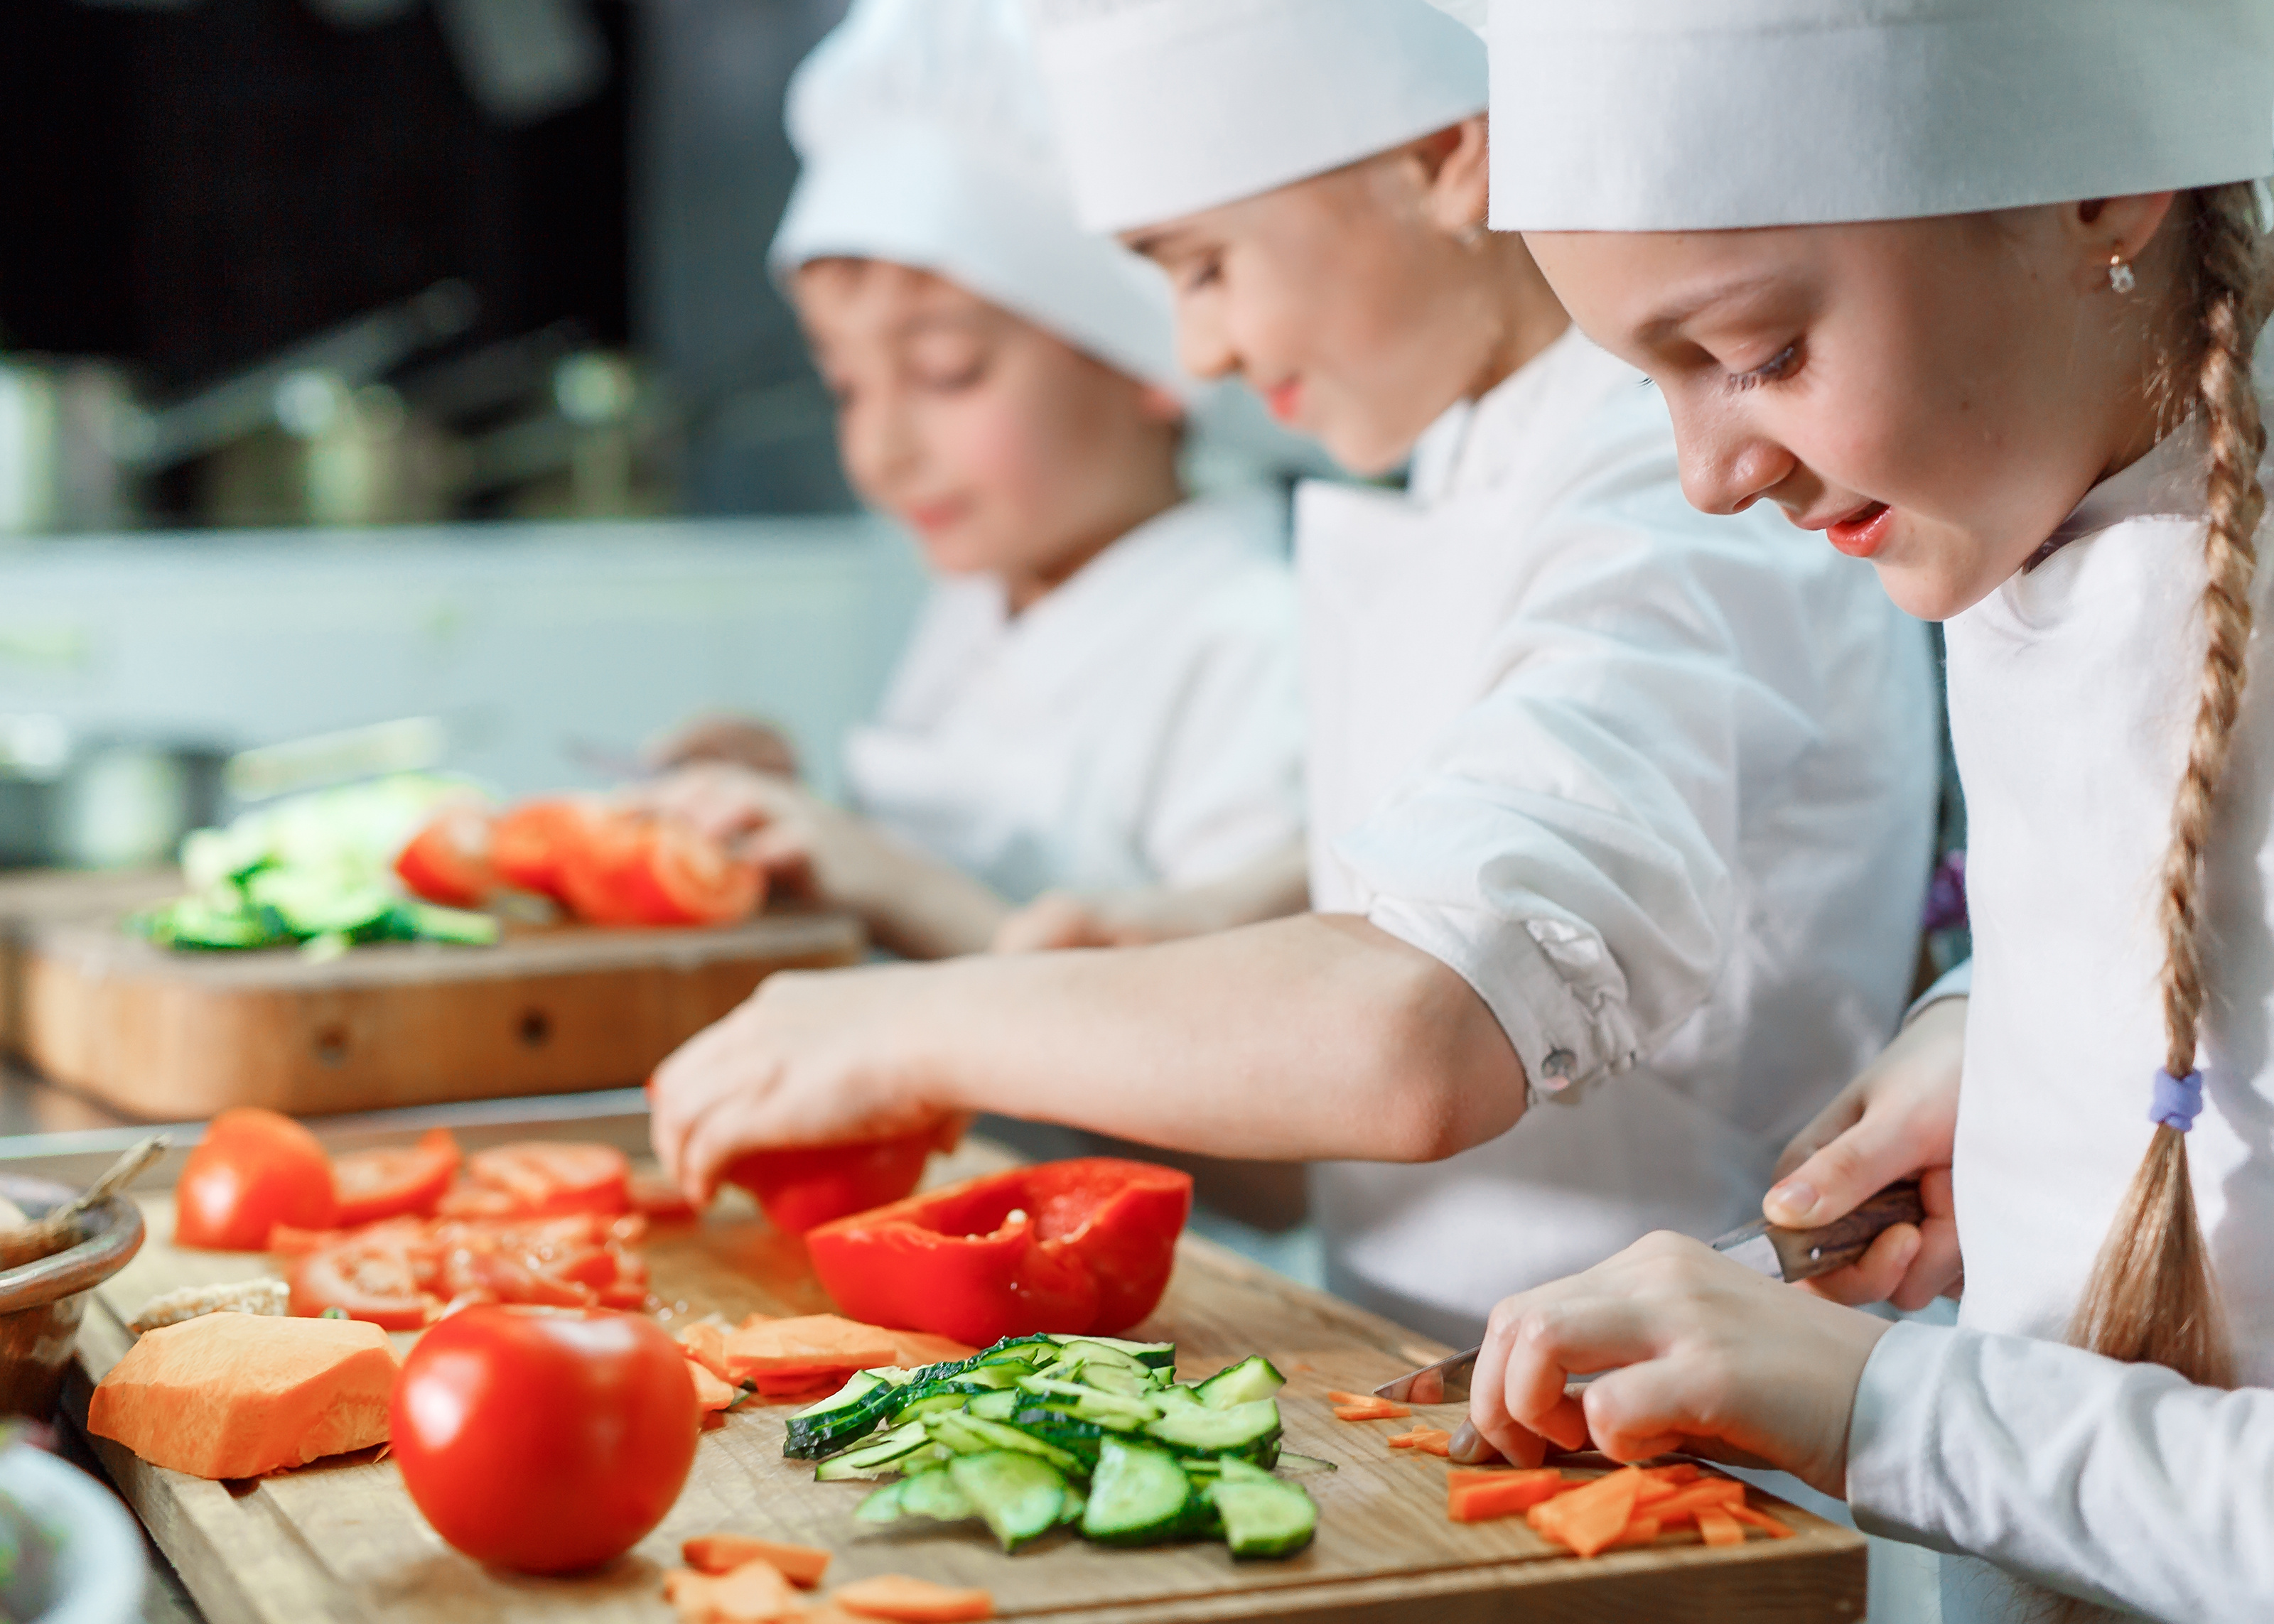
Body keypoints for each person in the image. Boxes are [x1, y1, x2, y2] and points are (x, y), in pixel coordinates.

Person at [648, 0, 1939, 1346]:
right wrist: (1227, 916)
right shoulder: (1484, 458)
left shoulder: (1676, 491)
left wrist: (917, 1025)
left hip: (1710, 1444)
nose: (1194, 351)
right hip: (1458, 1375)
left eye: (1205, 267)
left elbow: (1419, 1035)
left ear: (1444, 156)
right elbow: (1557, 830)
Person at [1444, 1, 2274, 1619]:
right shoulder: (2041, 486)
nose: (1708, 476)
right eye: (1650, 385)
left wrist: (1875, 1404)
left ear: (2102, 188)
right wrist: (2016, 1034)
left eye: (1758, 355)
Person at [638, 0, 1306, 963]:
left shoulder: (1251, 644)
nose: (881, 450)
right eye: (845, 386)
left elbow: (1239, 1035)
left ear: (1153, 356)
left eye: (947, 370)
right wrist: (796, 815)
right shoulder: (983, 600)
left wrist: (886, 878)